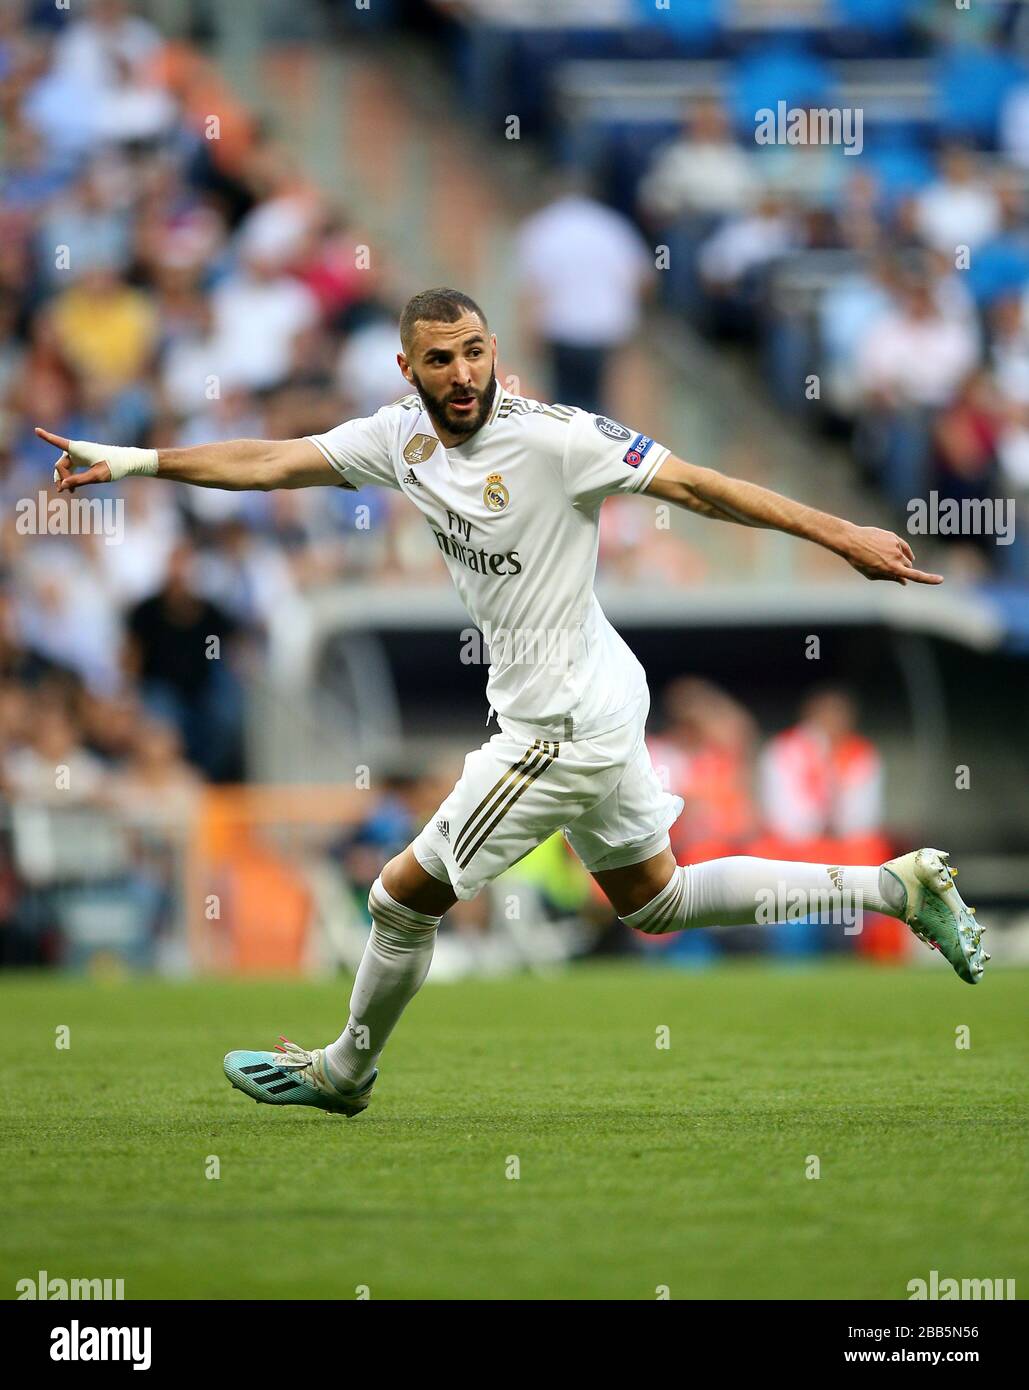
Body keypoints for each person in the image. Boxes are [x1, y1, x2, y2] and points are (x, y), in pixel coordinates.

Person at [37, 287, 989, 1118]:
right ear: (405, 366)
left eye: (477, 351)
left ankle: (343, 1072)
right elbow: (272, 461)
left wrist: (840, 535)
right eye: (442, 358)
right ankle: (894, 887)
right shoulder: (399, 437)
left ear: (497, 352)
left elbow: (699, 487)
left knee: (397, 895)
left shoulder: (557, 437)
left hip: (559, 724)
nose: (462, 373)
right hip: (591, 693)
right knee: (654, 902)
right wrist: (139, 462)